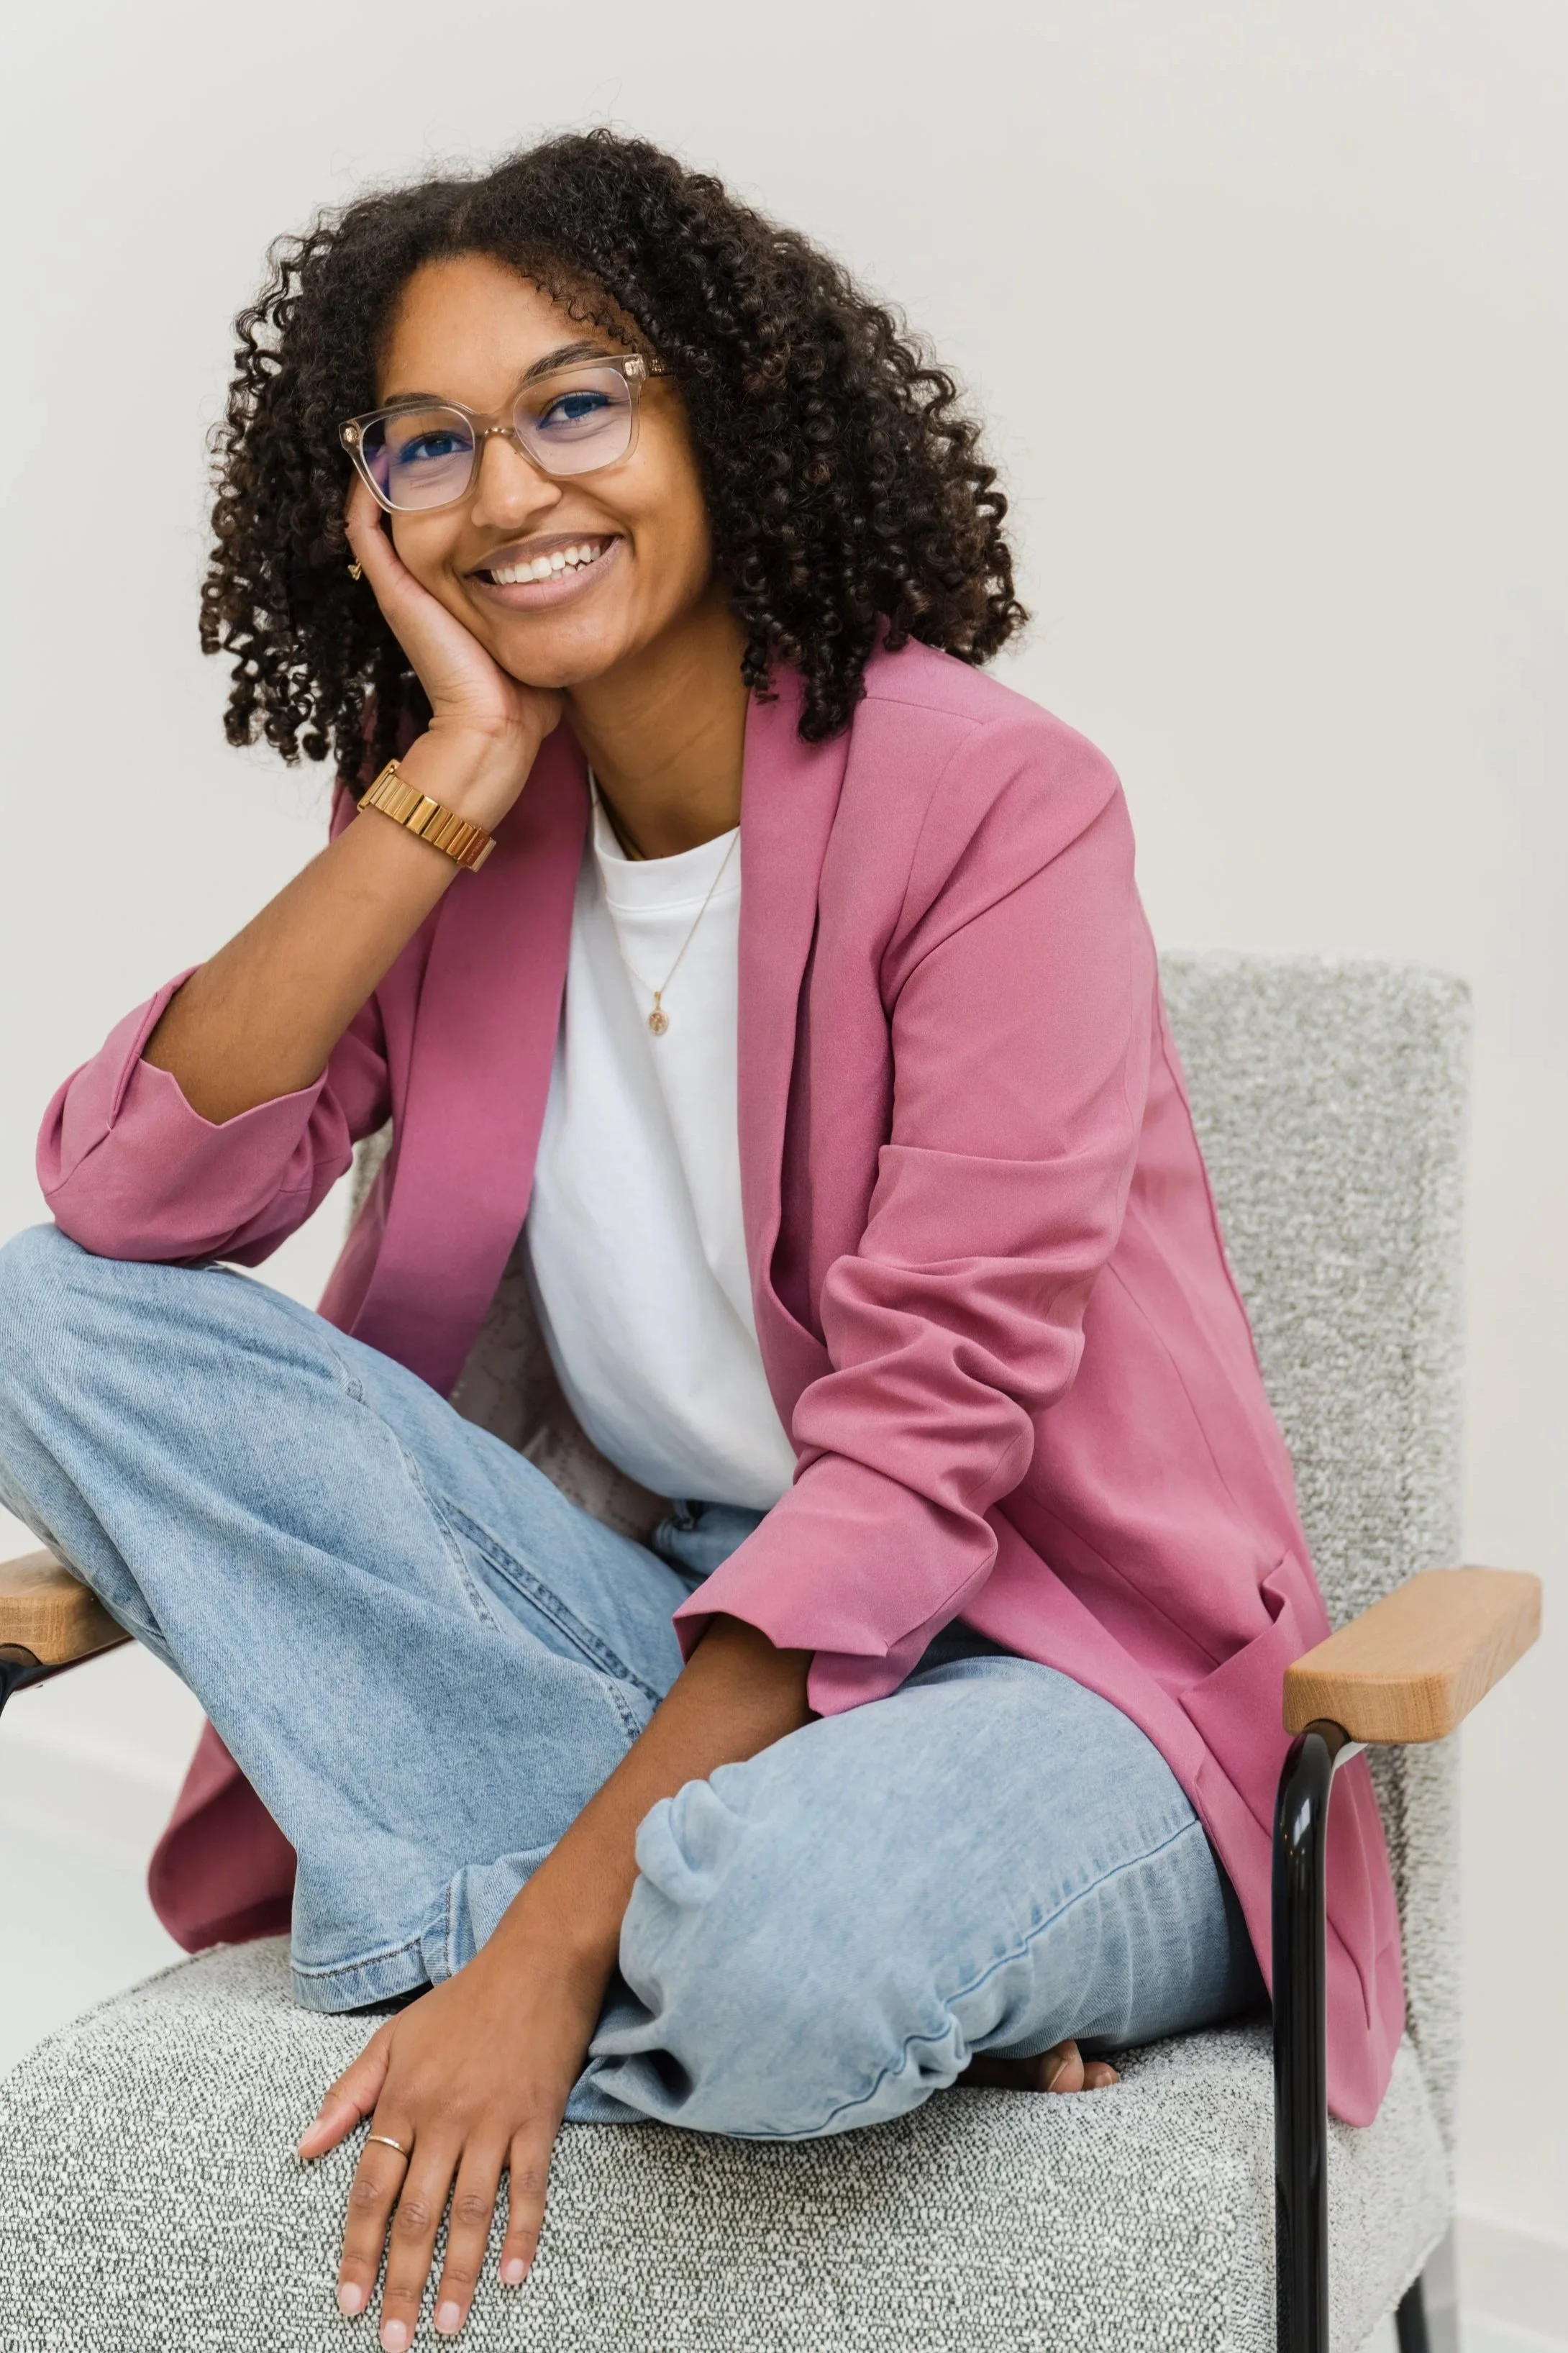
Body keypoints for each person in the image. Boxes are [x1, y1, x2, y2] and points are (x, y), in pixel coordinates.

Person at [0, 128, 1401, 2349]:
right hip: (653, 1646)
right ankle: (889, 1978)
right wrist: (446, 771)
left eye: (577, 401)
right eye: (431, 442)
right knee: (37, 1310)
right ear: (369, 507)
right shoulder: (464, 819)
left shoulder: (995, 803)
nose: (512, 487)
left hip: (1051, 1684)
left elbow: (926, 1455)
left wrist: (546, 1964)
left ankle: (812, 1931)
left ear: (716, 417)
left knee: (786, 1951)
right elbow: (127, 1204)